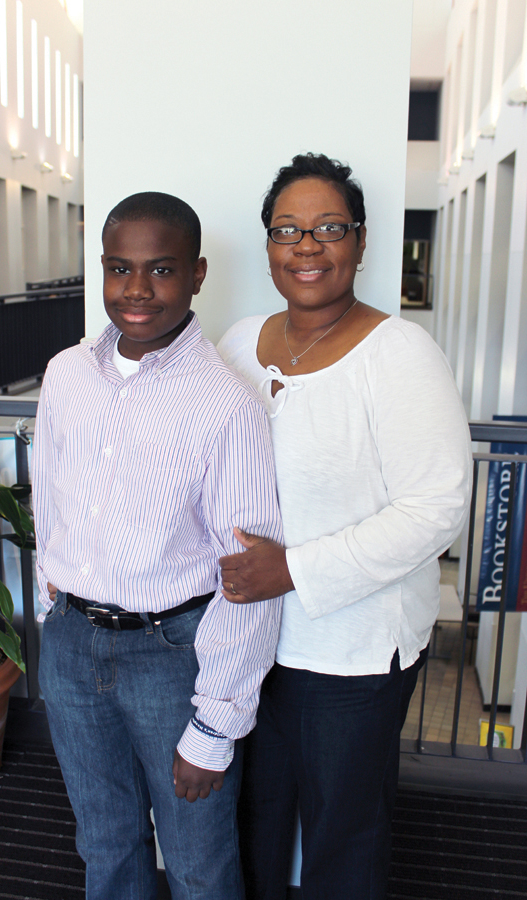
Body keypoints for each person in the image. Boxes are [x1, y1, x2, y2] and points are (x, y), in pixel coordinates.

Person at [217, 153, 472, 900]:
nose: (306, 245)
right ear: (267, 245)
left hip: (350, 653)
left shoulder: (399, 356)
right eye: (287, 229)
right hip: (251, 639)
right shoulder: (238, 342)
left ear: (361, 243)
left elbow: (437, 509)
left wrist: (294, 568)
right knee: (255, 816)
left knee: (343, 833)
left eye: (329, 227)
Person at [32, 191, 283, 900]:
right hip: (73, 647)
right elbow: (49, 498)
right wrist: (56, 604)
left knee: (200, 860)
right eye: (119, 268)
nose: (136, 291)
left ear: (198, 273)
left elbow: (250, 577)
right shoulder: (66, 375)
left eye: (162, 270)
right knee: (104, 845)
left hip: (173, 660)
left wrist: (217, 724)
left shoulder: (226, 405)